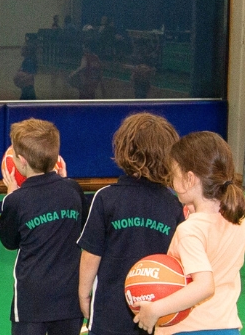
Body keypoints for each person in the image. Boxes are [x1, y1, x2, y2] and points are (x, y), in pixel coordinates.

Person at [133, 131, 245, 335]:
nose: (170, 181)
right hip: (226, 326)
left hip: (188, 329)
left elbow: (204, 286)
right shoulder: (237, 219)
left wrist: (155, 309)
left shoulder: (190, 230)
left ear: (189, 179)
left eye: (174, 174)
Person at [78, 113, 183, 335]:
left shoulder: (105, 197)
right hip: (156, 312)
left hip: (109, 313)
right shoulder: (174, 204)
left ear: (124, 150)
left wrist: (83, 293)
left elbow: (91, 254)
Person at [0, 118, 84, 335]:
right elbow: (83, 227)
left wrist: (10, 195)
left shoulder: (16, 201)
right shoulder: (73, 189)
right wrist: (65, 182)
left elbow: (9, 242)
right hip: (69, 299)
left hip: (31, 302)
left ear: (22, 162)